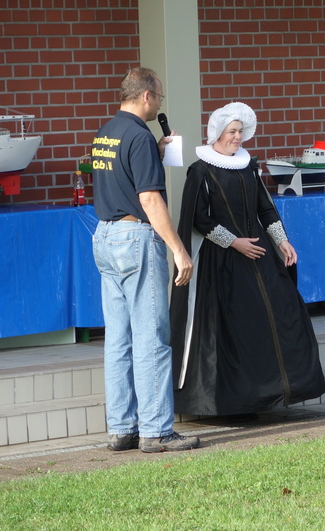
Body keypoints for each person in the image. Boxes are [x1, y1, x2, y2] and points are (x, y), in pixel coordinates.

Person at [170, 102, 325, 417]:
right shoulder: (200, 170)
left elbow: (264, 208)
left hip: (258, 255)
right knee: (231, 328)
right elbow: (199, 218)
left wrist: (282, 241)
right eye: (232, 131)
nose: (237, 137)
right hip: (221, 262)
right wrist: (234, 242)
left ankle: (266, 393)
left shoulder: (248, 166)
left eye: (240, 131)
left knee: (276, 314)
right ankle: (231, 403)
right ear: (217, 132)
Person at [90, 66, 200, 452]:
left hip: (105, 235)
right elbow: (149, 199)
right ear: (147, 96)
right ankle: (156, 430)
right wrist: (179, 249)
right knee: (152, 337)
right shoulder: (139, 136)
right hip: (136, 238)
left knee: (118, 340)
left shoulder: (106, 132)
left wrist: (155, 153)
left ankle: (122, 428)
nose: (159, 105)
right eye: (160, 97)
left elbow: (120, 176)